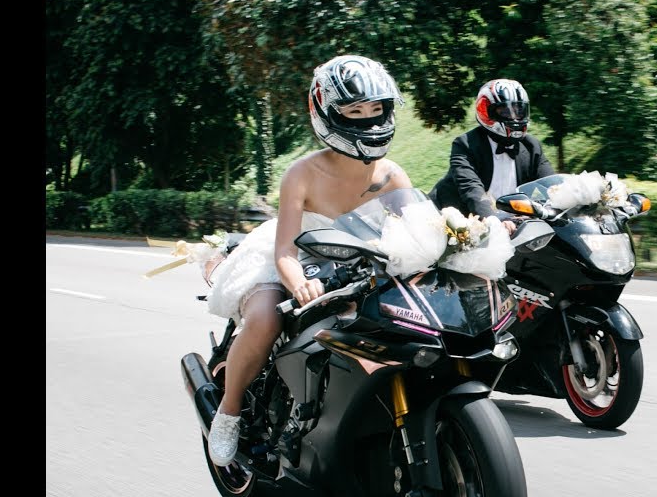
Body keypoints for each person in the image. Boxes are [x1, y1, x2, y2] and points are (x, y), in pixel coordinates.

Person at [203, 55, 412, 467]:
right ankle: (228, 412)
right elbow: (285, 250)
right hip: (298, 259)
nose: (368, 120)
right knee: (265, 318)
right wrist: (298, 282)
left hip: (360, 265)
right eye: (354, 111)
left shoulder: (392, 175)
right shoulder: (301, 173)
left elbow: (415, 232)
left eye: (376, 109)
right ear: (328, 114)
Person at [429, 78, 556, 235]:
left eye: (519, 110)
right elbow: (472, 190)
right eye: (505, 111)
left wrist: (572, 199)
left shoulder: (531, 146)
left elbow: (551, 185)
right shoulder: (465, 145)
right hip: (456, 226)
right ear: (486, 112)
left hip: (513, 228)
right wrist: (494, 219)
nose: (514, 117)